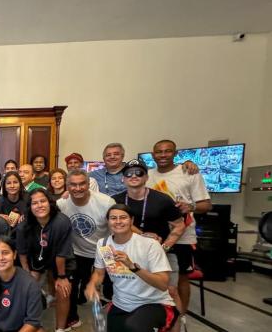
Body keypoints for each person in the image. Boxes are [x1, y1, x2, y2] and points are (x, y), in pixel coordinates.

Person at [113, 159, 186, 330]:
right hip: (129, 254)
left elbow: (179, 225)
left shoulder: (162, 199)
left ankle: (178, 323)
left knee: (171, 291)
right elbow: (113, 222)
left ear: (146, 177)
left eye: (138, 172)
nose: (133, 176)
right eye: (128, 173)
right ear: (123, 179)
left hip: (163, 253)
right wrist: (143, 235)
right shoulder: (115, 200)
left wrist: (164, 247)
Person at [147, 139, 212, 327]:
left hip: (184, 236)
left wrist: (190, 206)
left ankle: (180, 315)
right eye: (159, 152)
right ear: (153, 155)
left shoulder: (189, 172)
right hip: (156, 236)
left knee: (182, 277)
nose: (163, 155)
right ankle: (156, 312)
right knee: (154, 274)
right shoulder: (148, 175)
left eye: (168, 151)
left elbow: (206, 205)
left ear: (175, 153)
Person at [84, 204, 179, 332]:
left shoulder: (150, 244)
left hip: (153, 303)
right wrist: (92, 284)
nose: (118, 221)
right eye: (113, 218)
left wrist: (132, 267)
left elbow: (163, 284)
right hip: (121, 304)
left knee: (134, 327)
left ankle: (173, 322)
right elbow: (99, 273)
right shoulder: (104, 244)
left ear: (132, 221)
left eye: (123, 217)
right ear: (108, 221)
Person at [56, 169, 115, 327]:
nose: (78, 188)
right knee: (73, 286)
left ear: (89, 184)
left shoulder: (106, 202)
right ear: (67, 186)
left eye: (82, 184)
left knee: (112, 285)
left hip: (104, 250)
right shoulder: (61, 203)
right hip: (77, 251)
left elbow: (117, 227)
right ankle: (72, 316)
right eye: (73, 185)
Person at [18, 188, 75, 332]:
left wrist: (61, 277)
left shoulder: (62, 221)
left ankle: (60, 328)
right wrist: (26, 272)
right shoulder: (24, 225)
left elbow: (62, 254)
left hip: (60, 260)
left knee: (63, 290)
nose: (39, 205)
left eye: (43, 201)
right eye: (34, 203)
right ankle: (29, 322)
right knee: (26, 286)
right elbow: (22, 252)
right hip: (36, 259)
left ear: (50, 203)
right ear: (30, 207)